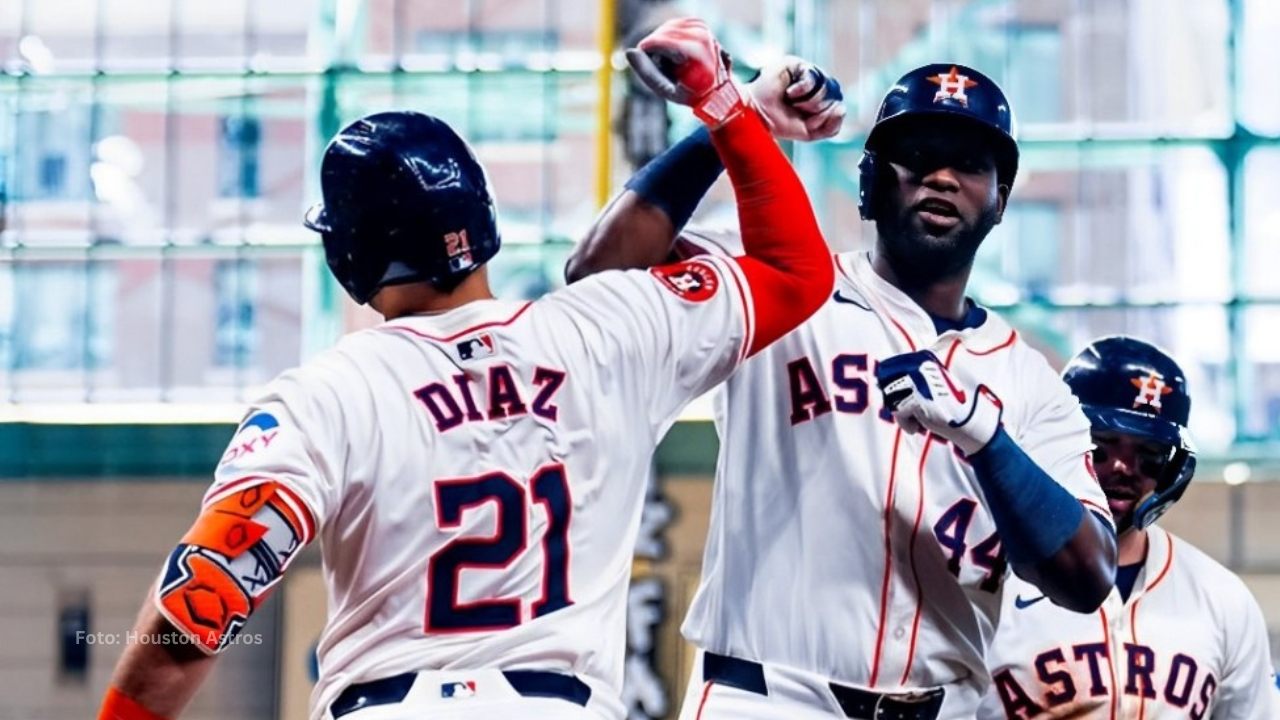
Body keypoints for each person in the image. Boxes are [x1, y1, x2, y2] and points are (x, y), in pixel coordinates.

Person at [95, 18, 835, 720]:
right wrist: (730, 110)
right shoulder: (610, 330)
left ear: (349, 252)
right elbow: (796, 270)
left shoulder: (326, 395)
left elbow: (202, 606)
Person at [568, 62, 1119, 719]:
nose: (942, 177)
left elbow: (1088, 577)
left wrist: (985, 437)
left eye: (969, 163)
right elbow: (599, 274)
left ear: (1000, 199)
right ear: (868, 186)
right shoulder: (783, 290)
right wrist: (734, 119)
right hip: (769, 697)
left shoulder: (1028, 385)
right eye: (916, 157)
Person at [979, 336, 1280, 719]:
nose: (1123, 468)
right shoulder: (988, 579)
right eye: (1101, 445)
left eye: (1149, 454)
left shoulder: (1222, 599)